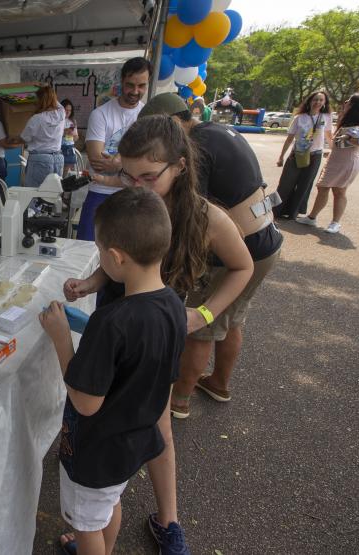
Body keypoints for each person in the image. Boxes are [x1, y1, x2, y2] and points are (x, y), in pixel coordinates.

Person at [64, 116, 253, 553]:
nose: (137, 186)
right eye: (128, 175)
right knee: (108, 417)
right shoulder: (135, 201)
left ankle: (168, 521)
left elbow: (243, 267)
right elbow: (116, 253)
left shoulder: (206, 217)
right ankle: (100, 508)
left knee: (155, 421)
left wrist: (202, 315)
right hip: (118, 317)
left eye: (149, 176)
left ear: (180, 167)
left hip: (158, 328)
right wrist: (92, 284)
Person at [40, 187, 188, 555]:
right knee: (107, 507)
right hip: (132, 443)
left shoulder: (111, 321)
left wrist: (62, 339)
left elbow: (85, 403)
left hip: (96, 452)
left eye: (99, 251)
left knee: (86, 524)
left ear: (116, 257)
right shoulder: (174, 306)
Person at [139, 93, 283, 418]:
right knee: (230, 318)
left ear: (175, 122)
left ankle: (178, 401)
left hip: (237, 248)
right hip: (265, 240)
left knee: (202, 323)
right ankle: (218, 383)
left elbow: (186, 218)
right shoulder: (217, 131)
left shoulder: (194, 149)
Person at [78, 57, 152, 241]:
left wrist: (120, 163)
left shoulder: (148, 117)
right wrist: (133, 165)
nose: (135, 91)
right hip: (100, 192)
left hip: (134, 196)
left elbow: (149, 164)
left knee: (127, 256)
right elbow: (97, 160)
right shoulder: (100, 114)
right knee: (86, 250)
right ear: (121, 81)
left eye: (141, 86)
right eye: (130, 85)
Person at [296, 94, 359, 234]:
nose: (346, 103)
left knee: (339, 191)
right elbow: (336, 139)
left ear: (356, 105)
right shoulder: (347, 119)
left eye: (349, 101)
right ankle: (312, 217)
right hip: (335, 159)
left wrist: (348, 140)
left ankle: (335, 223)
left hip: (348, 161)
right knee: (322, 187)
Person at [274, 91, 333, 220]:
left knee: (305, 185)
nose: (317, 102)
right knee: (286, 183)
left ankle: (293, 213)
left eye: (321, 100)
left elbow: (328, 136)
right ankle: (277, 210)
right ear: (309, 101)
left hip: (315, 154)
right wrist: (281, 156)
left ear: (324, 103)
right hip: (298, 154)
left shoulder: (326, 117)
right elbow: (290, 138)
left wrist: (333, 150)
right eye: (315, 100)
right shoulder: (299, 118)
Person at [20, 85, 65, 187]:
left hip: (39, 159)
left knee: (34, 194)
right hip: (58, 159)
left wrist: (14, 138)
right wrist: (48, 91)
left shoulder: (37, 118)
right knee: (52, 194)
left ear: (40, 100)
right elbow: (58, 104)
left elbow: (24, 138)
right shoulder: (62, 113)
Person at [60, 99, 79, 176]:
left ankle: (63, 182)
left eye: (70, 110)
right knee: (58, 168)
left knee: (67, 168)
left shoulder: (72, 121)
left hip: (69, 146)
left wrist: (72, 136)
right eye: (66, 110)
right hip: (59, 147)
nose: (68, 112)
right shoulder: (57, 120)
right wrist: (63, 133)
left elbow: (76, 137)